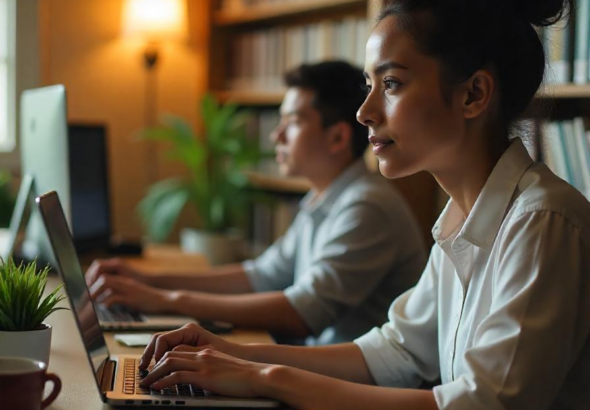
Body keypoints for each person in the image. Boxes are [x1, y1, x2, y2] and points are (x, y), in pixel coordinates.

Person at [131, 0, 590, 409]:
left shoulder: (542, 222)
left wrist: (264, 377)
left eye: (390, 83)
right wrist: (229, 353)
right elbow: (395, 351)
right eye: (369, 84)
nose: (364, 111)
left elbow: (480, 404)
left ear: (473, 94)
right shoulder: (462, 217)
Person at [86, 60, 426, 345]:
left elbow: (300, 314)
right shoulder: (325, 197)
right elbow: (260, 275)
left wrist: (163, 300)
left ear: (338, 136)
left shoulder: (367, 207)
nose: (275, 135)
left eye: (291, 123)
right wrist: (146, 281)